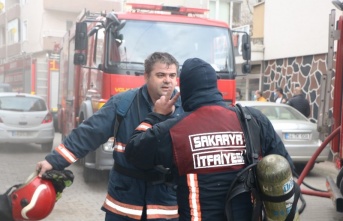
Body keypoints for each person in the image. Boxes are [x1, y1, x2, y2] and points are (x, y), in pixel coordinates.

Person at [125, 58, 294, 221]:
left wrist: (156, 115)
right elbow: (286, 167)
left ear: (185, 90)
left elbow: (134, 151)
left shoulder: (175, 129)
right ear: (215, 85)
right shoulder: (252, 119)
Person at [35, 52, 183, 221]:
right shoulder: (123, 103)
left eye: (172, 75)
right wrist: (54, 161)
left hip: (165, 205)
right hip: (124, 202)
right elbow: (89, 133)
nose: (168, 80)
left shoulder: (184, 109)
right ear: (146, 76)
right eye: (160, 75)